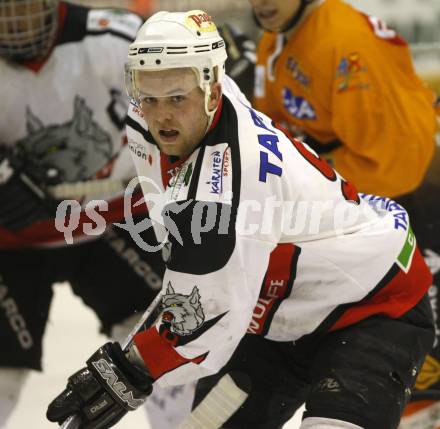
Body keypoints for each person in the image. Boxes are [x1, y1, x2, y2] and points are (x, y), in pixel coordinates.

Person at [45, 9, 436, 429]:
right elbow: (191, 271)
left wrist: (126, 372)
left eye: (177, 98)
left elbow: (204, 315)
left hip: (372, 306)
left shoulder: (226, 188)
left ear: (212, 89)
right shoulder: (163, 113)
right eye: (150, 97)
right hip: (279, 316)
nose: (161, 117)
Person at [249, 0, 440, 426]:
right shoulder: (276, 39)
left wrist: (310, 190)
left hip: (414, 196)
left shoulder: (341, 41)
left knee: (423, 371)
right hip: (376, 202)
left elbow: (398, 163)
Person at [0, 1, 167, 427]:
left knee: (165, 344)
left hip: (114, 220)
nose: (13, 22)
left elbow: (182, 111)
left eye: (21, 7)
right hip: (12, 240)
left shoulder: (118, 40)